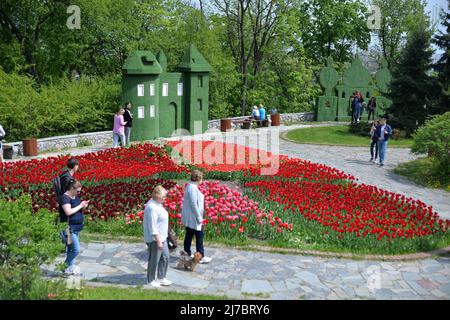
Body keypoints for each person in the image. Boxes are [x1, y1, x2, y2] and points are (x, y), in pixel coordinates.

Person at [143, 185, 173, 288]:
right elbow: (152, 227)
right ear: (157, 196)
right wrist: (158, 241)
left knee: (165, 257)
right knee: (154, 259)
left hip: (162, 237)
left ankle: (161, 277)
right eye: (163, 197)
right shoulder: (152, 207)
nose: (165, 199)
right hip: (155, 239)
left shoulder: (157, 204)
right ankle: (151, 280)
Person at [182, 170, 212, 264]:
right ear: (198, 178)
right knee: (199, 235)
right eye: (201, 178)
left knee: (189, 234)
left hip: (190, 216)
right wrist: (199, 218)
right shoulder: (192, 188)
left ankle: (187, 253)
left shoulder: (190, 186)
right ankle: (200, 256)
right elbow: (193, 204)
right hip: (194, 216)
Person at [61, 179, 90, 275]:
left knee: (71, 249)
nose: (78, 193)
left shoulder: (75, 197)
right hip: (69, 229)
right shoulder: (65, 198)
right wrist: (80, 206)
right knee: (76, 249)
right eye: (77, 191)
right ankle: (64, 266)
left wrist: (84, 206)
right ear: (72, 188)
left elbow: (77, 208)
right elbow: (68, 212)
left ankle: (69, 269)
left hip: (76, 228)